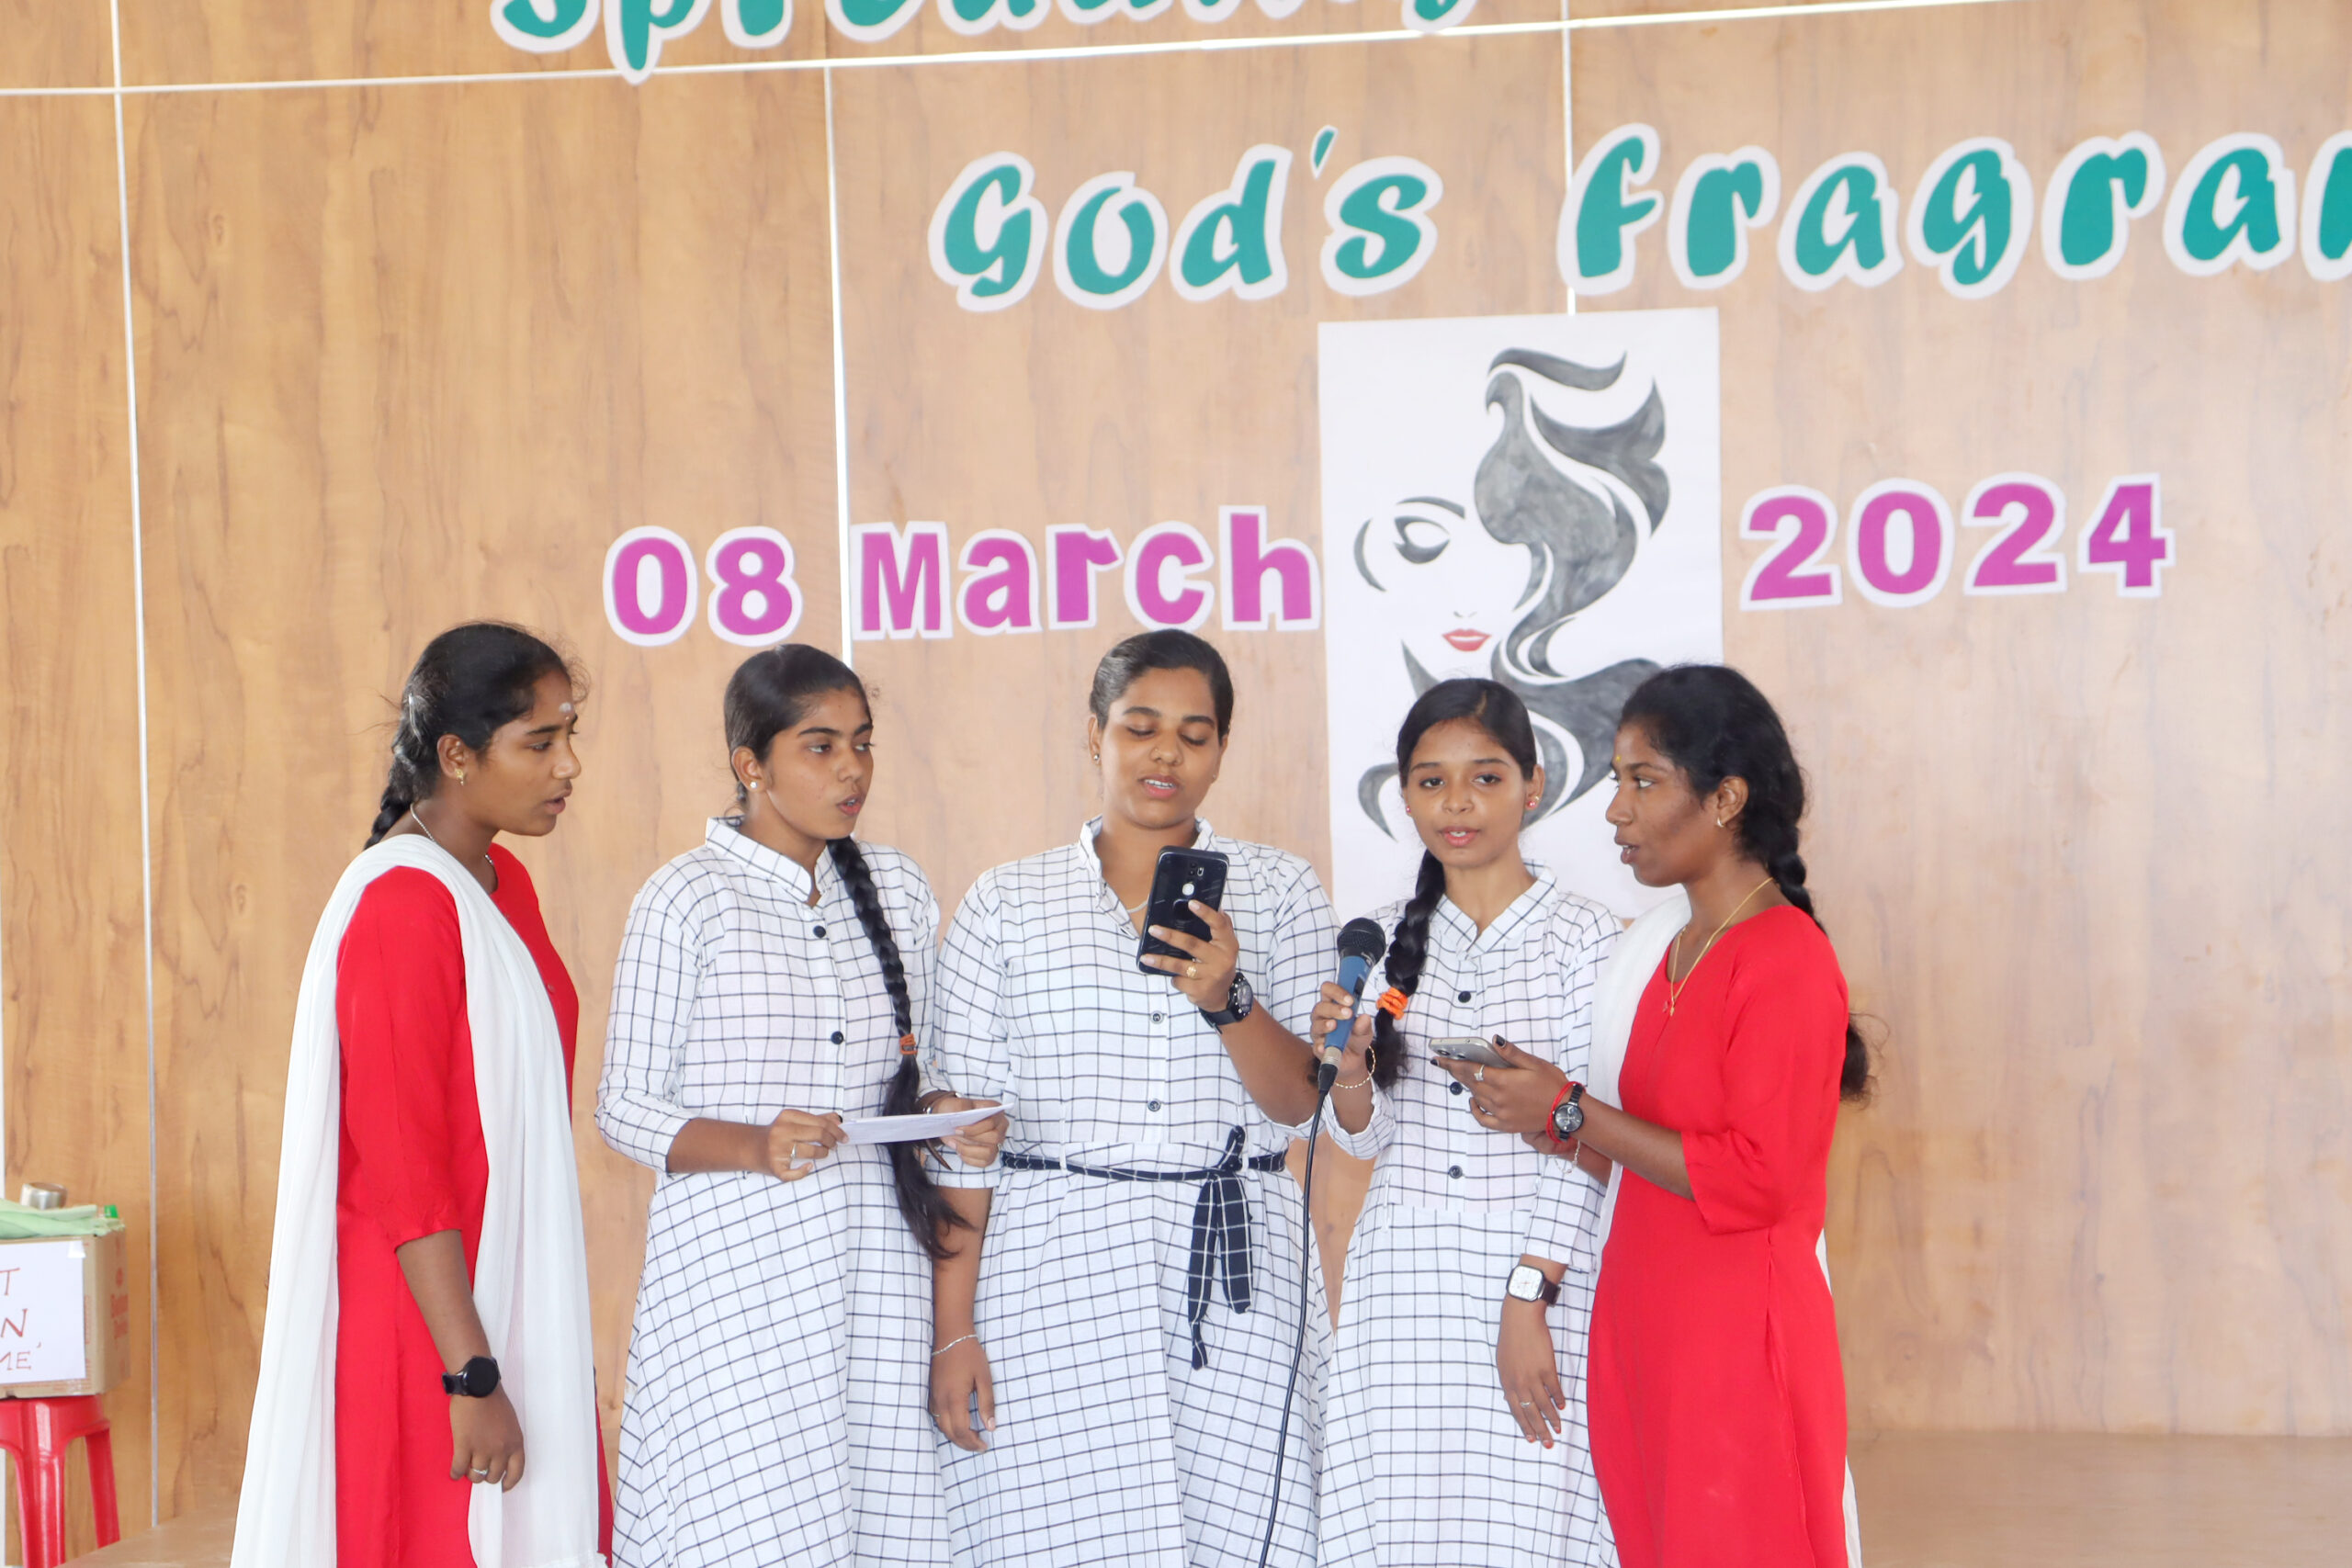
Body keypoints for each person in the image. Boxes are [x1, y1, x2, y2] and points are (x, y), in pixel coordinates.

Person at [1442, 665, 1870, 1568]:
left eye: (1643, 781)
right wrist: (1546, 1112)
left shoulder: (1784, 957)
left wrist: (1570, 1107)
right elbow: (1641, 1145)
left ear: (1724, 799)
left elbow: (1755, 1180)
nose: (1616, 812)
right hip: (1643, 1330)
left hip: (1736, 1347)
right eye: (1614, 782)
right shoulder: (1666, 949)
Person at [927, 629, 1337, 1568]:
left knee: (1246, 1534)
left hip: (1233, 1258)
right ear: (1093, 736)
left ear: (1222, 750)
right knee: (1062, 1536)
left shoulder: (1279, 889)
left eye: (1194, 735)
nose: (1165, 755)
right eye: (1139, 727)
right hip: (1051, 1261)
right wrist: (954, 1333)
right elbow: (960, 1140)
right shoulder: (1007, 903)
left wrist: (1228, 998)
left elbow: (1299, 1107)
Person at [596, 645, 1007, 1567]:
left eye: (862, 744)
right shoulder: (686, 898)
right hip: (736, 1280)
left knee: (875, 1520)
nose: (852, 768)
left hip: (876, 1271)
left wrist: (952, 1114)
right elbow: (622, 1106)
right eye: (820, 746)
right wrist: (754, 1143)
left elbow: (914, 1074)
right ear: (752, 763)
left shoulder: (895, 887)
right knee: (748, 1524)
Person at [232, 622, 608, 1568]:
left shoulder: (496, 881)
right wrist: (469, 1372)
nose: (568, 765)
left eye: (571, 734)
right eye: (540, 742)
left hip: (503, 1289)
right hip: (427, 1325)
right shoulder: (403, 906)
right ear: (456, 754)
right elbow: (404, 1170)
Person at [1307, 678, 1619, 1568]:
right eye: (1430, 781)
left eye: (1484, 778)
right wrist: (1353, 1073)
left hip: (1539, 1272)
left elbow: (1583, 1133)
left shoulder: (1588, 940)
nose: (1456, 804)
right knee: (1402, 1531)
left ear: (1534, 784)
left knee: (1538, 1521)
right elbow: (1363, 1138)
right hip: (1399, 1283)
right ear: (1402, 795)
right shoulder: (1378, 939)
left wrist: (1530, 1294)